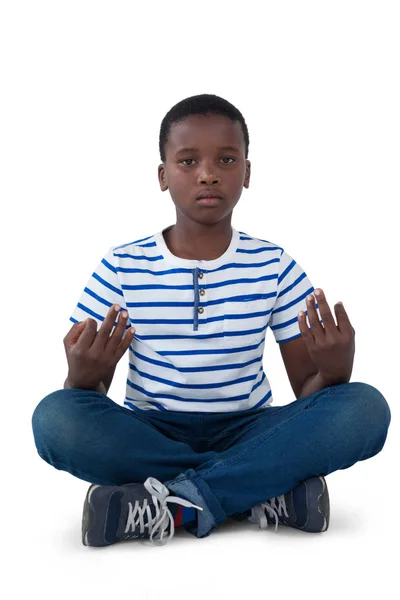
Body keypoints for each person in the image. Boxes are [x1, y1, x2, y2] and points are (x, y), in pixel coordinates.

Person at [31, 94, 391, 548]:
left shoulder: (273, 265)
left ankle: (173, 504)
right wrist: (79, 378)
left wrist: (337, 371)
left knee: (365, 408)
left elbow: (308, 395)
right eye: (188, 160)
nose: (207, 173)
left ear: (247, 172)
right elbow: (87, 398)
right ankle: (254, 491)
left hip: (251, 429)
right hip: (151, 431)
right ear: (163, 176)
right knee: (55, 419)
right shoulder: (122, 264)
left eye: (226, 158)